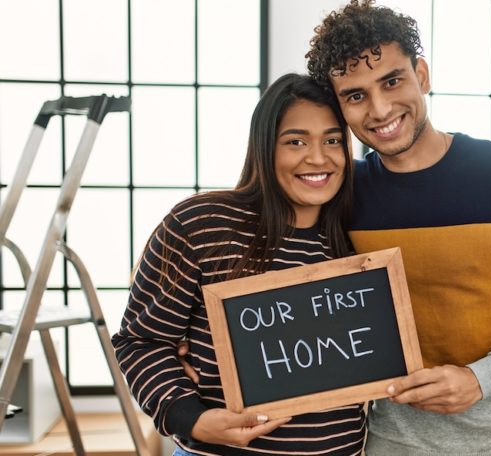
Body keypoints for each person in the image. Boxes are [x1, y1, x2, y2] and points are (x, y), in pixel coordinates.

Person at [304, 1, 491, 454]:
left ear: (421, 75)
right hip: (389, 441)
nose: (381, 109)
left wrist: (479, 379)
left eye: (392, 80)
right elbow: (295, 297)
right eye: (356, 95)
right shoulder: (342, 195)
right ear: (340, 107)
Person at [111, 73, 366, 456]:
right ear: (264, 148)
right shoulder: (200, 224)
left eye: (332, 140)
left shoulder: (356, 239)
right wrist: (191, 418)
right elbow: (140, 341)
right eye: (295, 141)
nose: (318, 157)